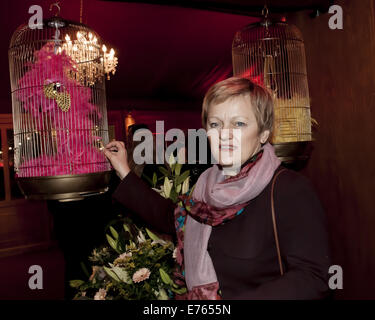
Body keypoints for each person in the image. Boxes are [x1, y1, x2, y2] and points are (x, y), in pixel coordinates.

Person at [104, 77, 331, 300]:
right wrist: (124, 170)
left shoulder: (288, 189)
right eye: (215, 124)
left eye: (239, 123)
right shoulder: (206, 185)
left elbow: (313, 277)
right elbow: (171, 217)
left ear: (263, 133)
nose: (224, 134)